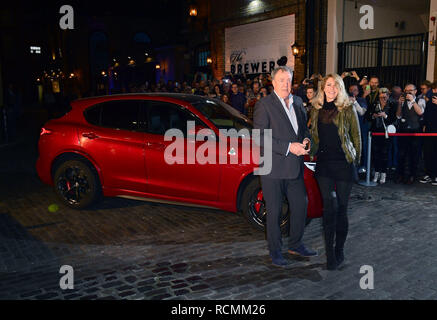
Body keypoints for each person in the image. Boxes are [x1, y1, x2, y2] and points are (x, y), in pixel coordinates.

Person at [253, 66, 316, 267]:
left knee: (301, 205)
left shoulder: (298, 102)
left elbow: (304, 129)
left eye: (288, 80)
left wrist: (306, 141)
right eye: (281, 80)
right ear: (273, 83)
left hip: (294, 167)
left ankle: (295, 244)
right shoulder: (264, 104)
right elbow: (260, 137)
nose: (285, 84)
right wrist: (289, 147)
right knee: (274, 211)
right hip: (272, 168)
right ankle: (275, 251)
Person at [309, 74, 361, 270]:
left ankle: (339, 249)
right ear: (323, 88)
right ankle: (330, 254)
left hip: (343, 164)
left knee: (341, 209)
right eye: (328, 85)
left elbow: (356, 137)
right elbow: (313, 135)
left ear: (340, 89)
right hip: (324, 165)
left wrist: (355, 160)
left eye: (335, 85)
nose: (331, 88)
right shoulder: (315, 110)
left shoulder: (347, 109)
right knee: (328, 209)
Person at [395, 84, 426, 184]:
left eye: (410, 90)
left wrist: (412, 101)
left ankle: (412, 175)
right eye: (406, 90)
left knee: (414, 155)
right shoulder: (403, 100)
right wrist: (399, 104)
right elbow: (398, 116)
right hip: (403, 131)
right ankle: (400, 175)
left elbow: (420, 112)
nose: (408, 92)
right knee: (401, 154)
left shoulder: (420, 100)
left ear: (415, 91)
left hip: (416, 131)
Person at [366, 88, 396, 184]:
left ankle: (383, 173)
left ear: (388, 95)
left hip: (386, 133)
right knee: (375, 154)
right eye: (381, 96)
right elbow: (367, 116)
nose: (383, 97)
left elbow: (393, 119)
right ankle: (376, 172)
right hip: (376, 132)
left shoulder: (392, 105)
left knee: (384, 154)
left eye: (385, 95)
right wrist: (373, 116)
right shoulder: (374, 104)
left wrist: (385, 116)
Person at [420, 82, 437, 185]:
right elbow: (426, 114)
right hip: (429, 131)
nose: (434, 92)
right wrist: (424, 125)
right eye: (433, 90)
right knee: (428, 153)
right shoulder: (430, 100)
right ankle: (429, 174)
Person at [348, 84, 368, 173]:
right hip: (348, 130)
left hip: (360, 129)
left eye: (355, 90)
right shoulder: (345, 100)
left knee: (360, 148)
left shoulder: (361, 100)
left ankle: (361, 168)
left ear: (358, 92)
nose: (353, 91)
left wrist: (355, 102)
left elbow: (362, 112)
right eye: (351, 90)